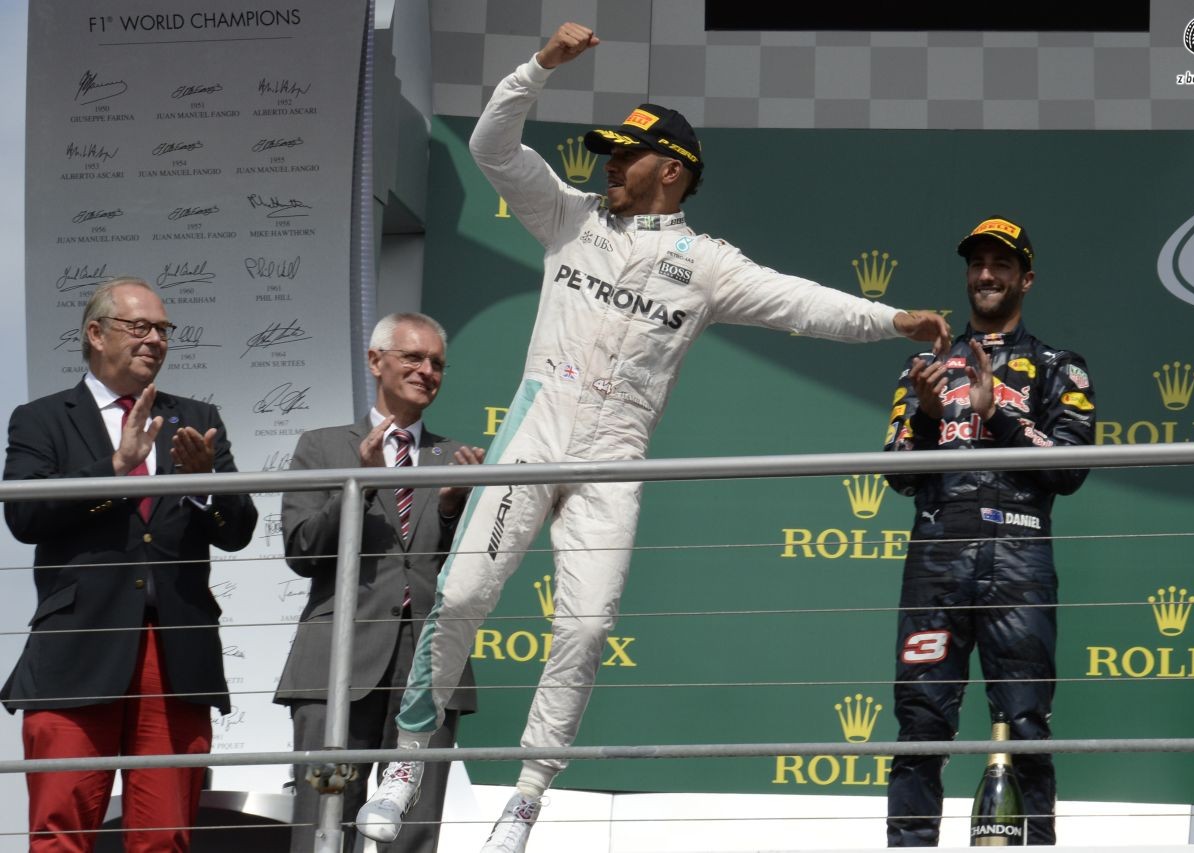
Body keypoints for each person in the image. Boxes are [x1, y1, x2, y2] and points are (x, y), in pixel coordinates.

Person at [357, 22, 951, 853]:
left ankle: (526, 798)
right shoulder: (569, 216)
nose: (607, 163)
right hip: (535, 434)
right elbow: (492, 148)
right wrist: (540, 66)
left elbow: (799, 301)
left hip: (614, 459)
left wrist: (891, 320)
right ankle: (405, 763)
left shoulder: (706, 263)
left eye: (624, 154)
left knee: (586, 628)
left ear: (671, 170)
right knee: (460, 597)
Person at [2, 277, 258, 852]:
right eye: (139, 327)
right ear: (96, 334)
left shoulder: (196, 417)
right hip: (77, 650)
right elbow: (24, 515)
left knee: (164, 836)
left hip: (174, 654)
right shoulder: (43, 418)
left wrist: (204, 484)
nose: (155, 340)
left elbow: (239, 530)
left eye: (163, 329)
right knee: (60, 831)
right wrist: (115, 468)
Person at [882, 217, 1096, 846]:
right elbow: (897, 472)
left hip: (1019, 558)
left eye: (1001, 264)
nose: (986, 274)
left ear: (1025, 279)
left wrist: (996, 413)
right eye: (977, 264)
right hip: (936, 559)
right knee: (920, 724)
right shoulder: (923, 367)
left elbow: (1070, 468)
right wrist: (926, 419)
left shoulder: (1059, 367)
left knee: (1025, 722)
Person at [275, 312, 484, 853]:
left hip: (429, 661)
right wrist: (360, 484)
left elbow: (479, 569)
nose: (426, 371)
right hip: (336, 663)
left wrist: (456, 510)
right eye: (413, 357)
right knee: (323, 823)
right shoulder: (322, 446)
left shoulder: (455, 458)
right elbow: (302, 550)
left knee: (413, 831)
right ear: (375, 361)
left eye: (437, 363)